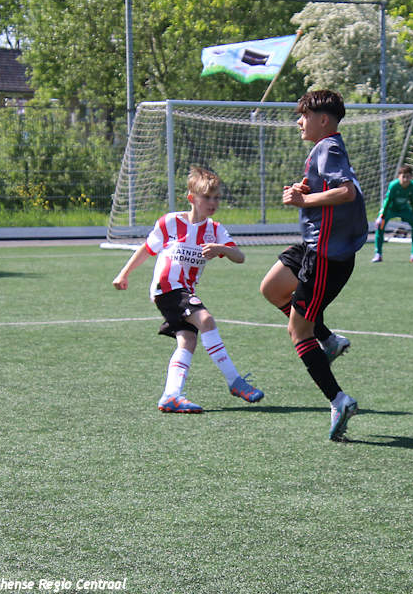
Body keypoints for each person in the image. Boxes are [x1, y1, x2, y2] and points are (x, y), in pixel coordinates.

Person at [259, 89, 365, 441]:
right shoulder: (324, 148)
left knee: (297, 332)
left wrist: (304, 200)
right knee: (272, 289)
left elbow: (347, 192)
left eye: (303, 116)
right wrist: (307, 194)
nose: (299, 122)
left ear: (323, 120)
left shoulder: (329, 147)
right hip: (311, 247)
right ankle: (328, 340)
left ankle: (339, 400)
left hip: (325, 259)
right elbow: (334, 193)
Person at [112, 166, 264, 413]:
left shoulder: (215, 230)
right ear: (192, 198)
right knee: (206, 320)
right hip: (167, 288)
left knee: (188, 340)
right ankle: (235, 381)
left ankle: (171, 396)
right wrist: (123, 274)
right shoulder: (171, 222)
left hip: (185, 291)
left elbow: (240, 257)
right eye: (207, 197)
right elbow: (147, 249)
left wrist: (221, 249)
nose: (213, 202)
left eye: (216, 197)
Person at [372, 165, 413, 263]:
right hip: (390, 209)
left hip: (404, 209)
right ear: (399, 177)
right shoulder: (393, 185)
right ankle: (378, 254)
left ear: (411, 177)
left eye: (408, 177)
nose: (405, 180)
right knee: (380, 226)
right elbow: (388, 201)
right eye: (403, 177)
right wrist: (381, 216)